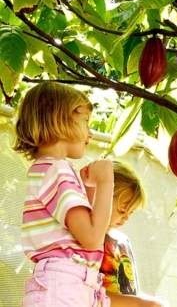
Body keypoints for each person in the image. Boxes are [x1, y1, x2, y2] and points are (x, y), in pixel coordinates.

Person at [12, 81, 113, 306]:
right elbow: (91, 238)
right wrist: (107, 181)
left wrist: (90, 189)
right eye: (86, 121)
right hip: (65, 285)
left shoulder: (46, 169)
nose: (91, 132)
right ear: (60, 120)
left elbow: (77, 230)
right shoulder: (58, 169)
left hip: (68, 284)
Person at [100, 160, 165, 307]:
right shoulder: (91, 240)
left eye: (131, 212)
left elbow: (127, 292)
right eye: (122, 210)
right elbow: (93, 296)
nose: (127, 217)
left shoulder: (122, 240)